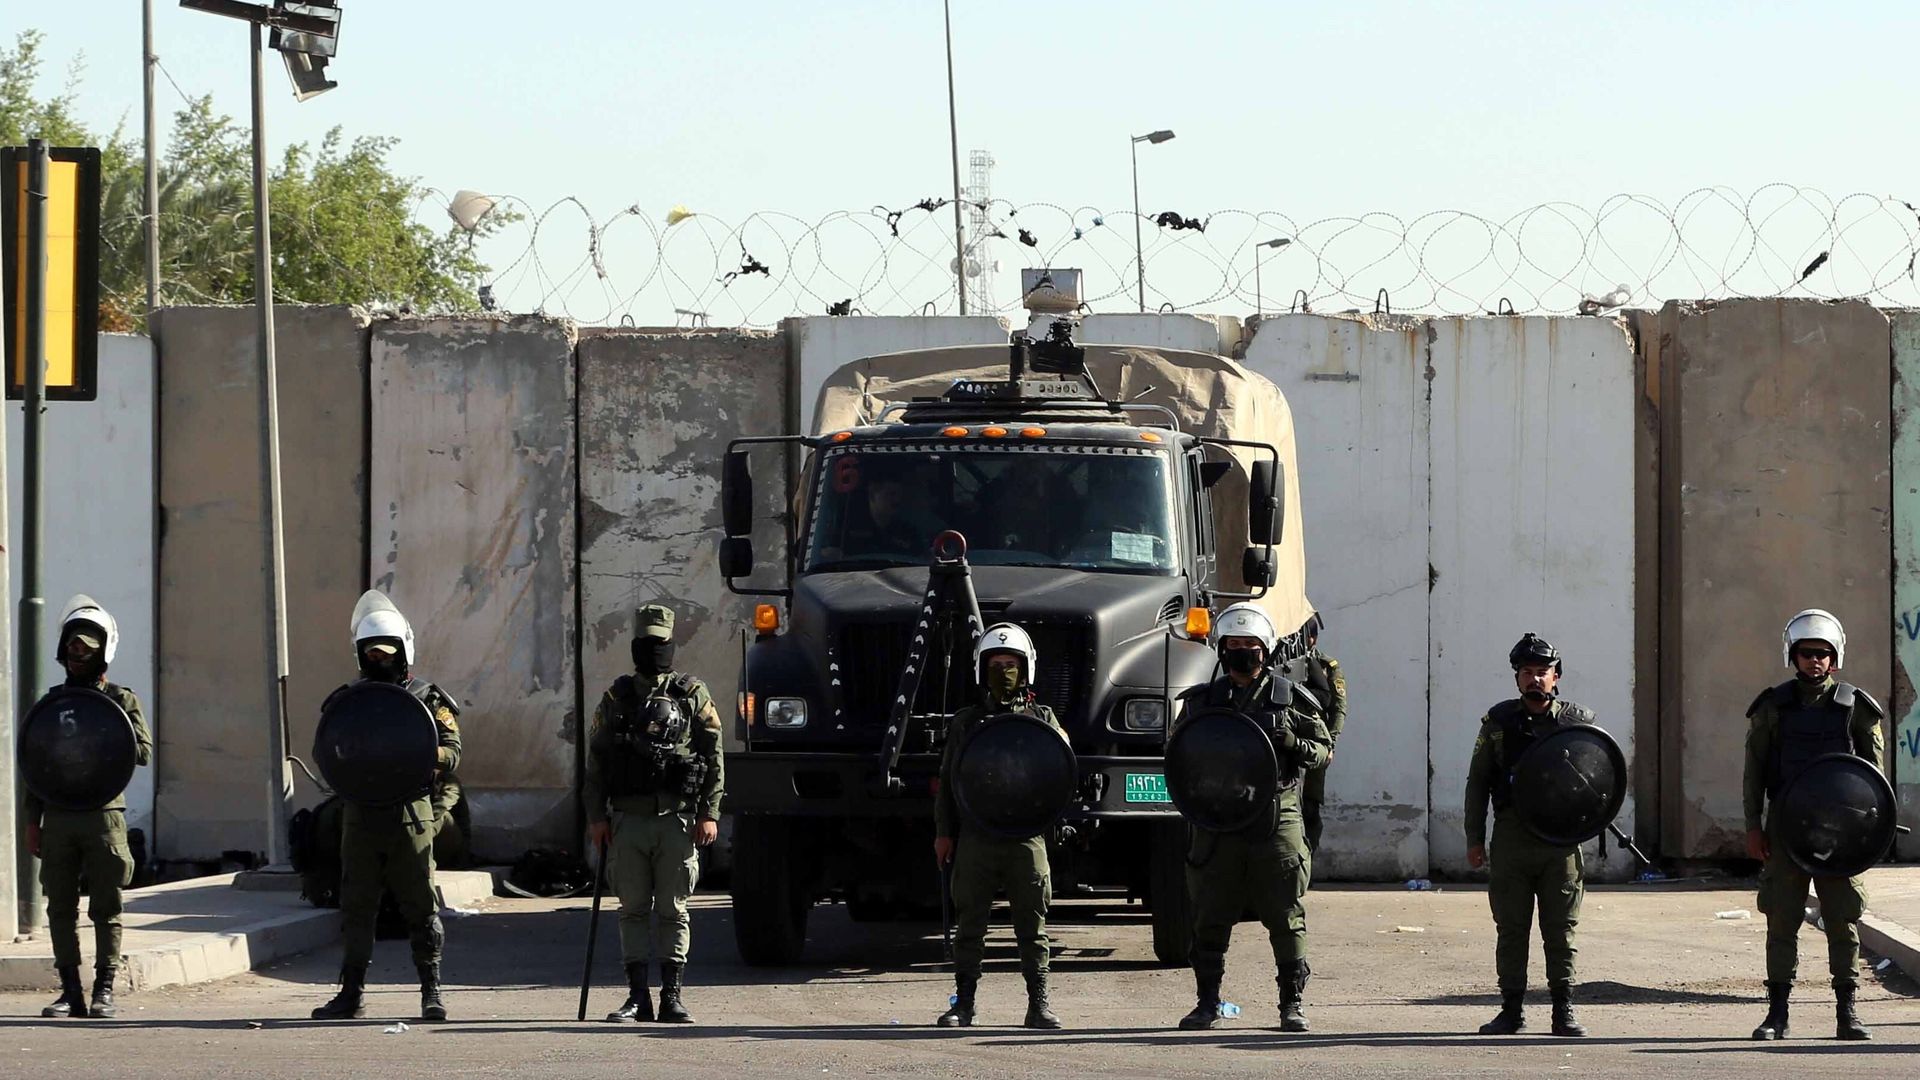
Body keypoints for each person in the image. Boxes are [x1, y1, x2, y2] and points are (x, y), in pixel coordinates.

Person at [1175, 602, 1331, 1032]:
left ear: (1266, 650)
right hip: (1217, 820)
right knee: (1209, 911)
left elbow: (1323, 752)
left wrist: (1292, 743)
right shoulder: (1202, 702)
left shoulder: (1289, 699)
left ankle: (1291, 1004)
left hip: (1275, 817)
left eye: (1251, 646)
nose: (1243, 653)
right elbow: (1178, 756)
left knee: (1285, 912)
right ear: (1222, 650)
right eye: (1235, 645)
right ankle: (1207, 1002)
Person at [312, 590, 463, 1022]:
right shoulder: (349, 702)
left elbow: (453, 751)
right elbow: (326, 749)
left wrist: (419, 751)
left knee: (421, 907)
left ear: (403, 650)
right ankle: (351, 992)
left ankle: (431, 991)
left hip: (410, 817)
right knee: (357, 906)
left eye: (387, 652)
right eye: (371, 653)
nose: (380, 659)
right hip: (361, 816)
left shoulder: (426, 699)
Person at [1742, 608, 1883, 1042]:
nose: (1814, 661)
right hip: (1787, 831)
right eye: (1806, 653)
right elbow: (1755, 771)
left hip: (1841, 835)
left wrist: (1870, 834)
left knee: (1843, 921)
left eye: (1823, 654)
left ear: (1834, 657)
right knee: (1781, 920)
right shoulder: (1773, 707)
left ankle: (1848, 1013)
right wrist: (1753, 826)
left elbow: (1874, 780)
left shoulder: (1855, 708)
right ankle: (1777, 1014)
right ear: (1793, 655)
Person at [584, 604, 726, 1024]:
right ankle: (636, 996)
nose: (654, 651)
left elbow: (713, 756)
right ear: (635, 646)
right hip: (628, 819)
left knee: (674, 909)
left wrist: (710, 812)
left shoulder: (692, 694)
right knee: (631, 909)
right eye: (647, 643)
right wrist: (596, 817)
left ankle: (672, 995)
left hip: (677, 820)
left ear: (671, 645)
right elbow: (597, 762)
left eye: (660, 643)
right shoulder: (618, 697)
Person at [932, 623, 1064, 1030]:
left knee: (1033, 926)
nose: (1004, 671)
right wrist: (944, 832)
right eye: (996, 664)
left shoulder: (1041, 718)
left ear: (1026, 670)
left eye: (1011, 664)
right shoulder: (967, 723)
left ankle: (1038, 1003)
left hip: (1026, 835)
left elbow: (1061, 770)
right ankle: (964, 1004)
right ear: (981, 669)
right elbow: (949, 781)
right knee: (970, 923)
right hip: (978, 835)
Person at [1463, 633, 1593, 1038]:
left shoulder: (1577, 722)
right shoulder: (1499, 723)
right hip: (1513, 838)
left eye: (1542, 673)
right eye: (1527, 673)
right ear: (1517, 678)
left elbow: (1597, 779)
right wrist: (1473, 838)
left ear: (1557, 677)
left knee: (1561, 930)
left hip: (1560, 843)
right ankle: (1511, 1010)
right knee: (1512, 928)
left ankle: (1563, 1009)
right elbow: (1478, 782)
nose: (1535, 680)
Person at [28, 597, 152, 1019]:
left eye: (86, 648)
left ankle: (104, 989)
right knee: (60, 907)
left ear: (103, 651)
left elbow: (144, 753)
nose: (77, 655)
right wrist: (33, 823)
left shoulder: (121, 698)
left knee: (107, 906)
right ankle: (69, 992)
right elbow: (35, 765)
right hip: (59, 815)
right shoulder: (51, 704)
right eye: (72, 648)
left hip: (103, 815)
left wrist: (108, 725)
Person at [1281, 615, 1346, 855]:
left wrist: (1330, 745)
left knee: (1310, 806)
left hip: (1315, 743)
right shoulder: (1283, 661)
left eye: (1303, 636)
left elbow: (1338, 708)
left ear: (1313, 638)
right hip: (1287, 742)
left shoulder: (1327, 666)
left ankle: (1309, 856)